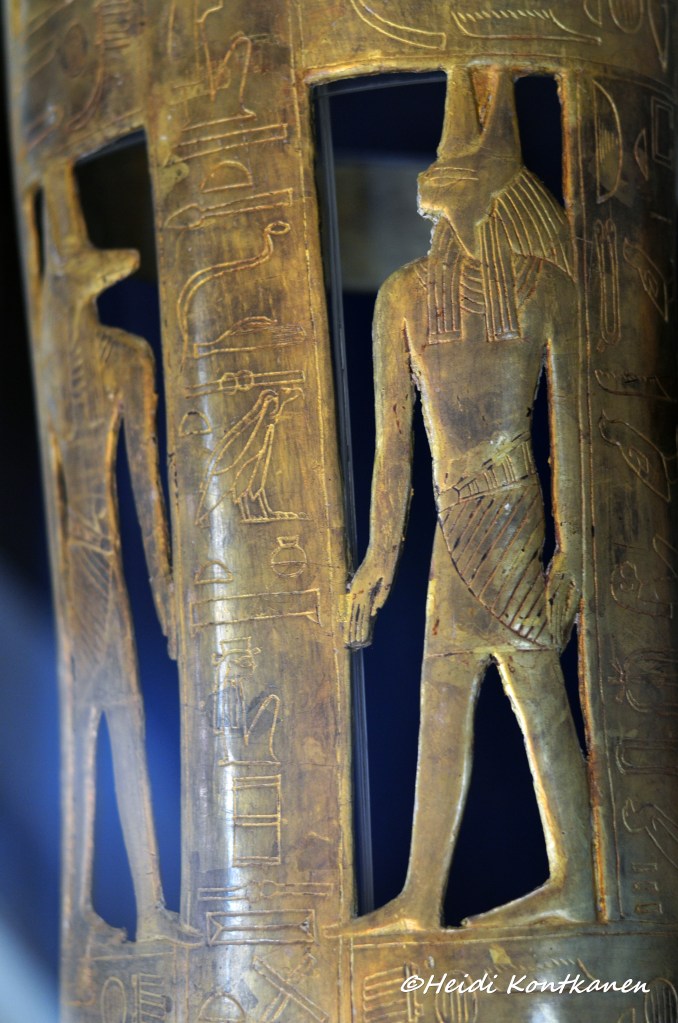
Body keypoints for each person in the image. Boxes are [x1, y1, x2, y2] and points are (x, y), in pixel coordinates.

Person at [344, 68, 595, 932]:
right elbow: (394, 454)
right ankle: (422, 895)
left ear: (496, 195)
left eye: (462, 192)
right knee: (447, 696)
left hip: (513, 516)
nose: (446, 212)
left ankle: (575, 880)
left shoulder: (544, 289)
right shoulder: (405, 297)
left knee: (532, 688)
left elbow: (576, 437)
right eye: (442, 195)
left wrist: (574, 558)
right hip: (461, 523)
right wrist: (377, 561)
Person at [40, 163, 200, 946]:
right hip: (86, 571)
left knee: (100, 727)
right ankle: (125, 909)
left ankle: (130, 907)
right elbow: (134, 494)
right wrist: (162, 591)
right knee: (113, 725)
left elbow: (143, 488)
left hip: (84, 570)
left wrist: (166, 592)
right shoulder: (99, 365)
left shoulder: (105, 363)